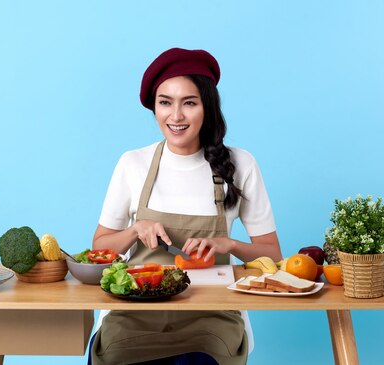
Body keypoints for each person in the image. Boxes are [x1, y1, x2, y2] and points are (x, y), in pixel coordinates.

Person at [89, 48, 283, 365]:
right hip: (136, 311)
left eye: (189, 103)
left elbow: (272, 254)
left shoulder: (240, 164)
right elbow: (100, 247)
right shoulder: (133, 163)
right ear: (154, 108)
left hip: (211, 314)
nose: (175, 116)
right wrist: (135, 230)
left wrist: (228, 244)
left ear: (207, 107)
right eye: (165, 102)